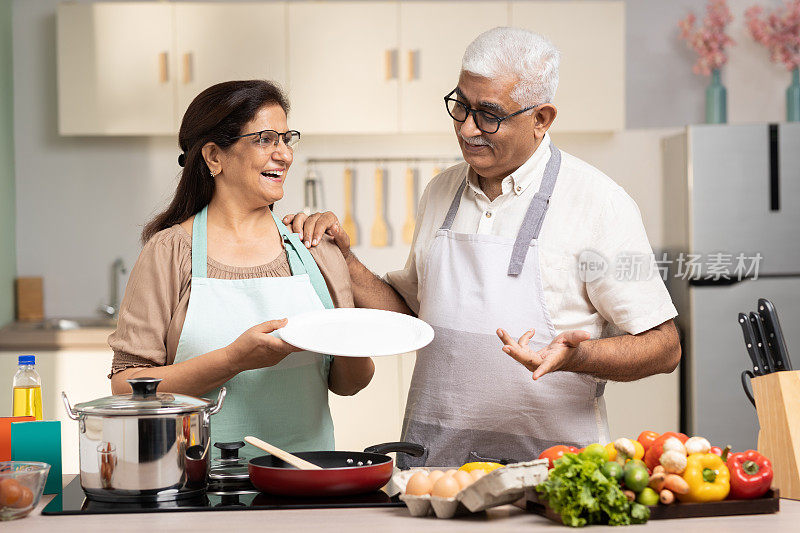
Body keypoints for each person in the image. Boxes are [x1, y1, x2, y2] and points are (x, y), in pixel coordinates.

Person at [284, 28, 682, 467]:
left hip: (554, 472)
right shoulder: (440, 191)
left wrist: (578, 356)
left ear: (542, 118)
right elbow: (412, 314)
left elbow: (664, 346)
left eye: (489, 114)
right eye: (461, 106)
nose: (468, 128)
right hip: (436, 467)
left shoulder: (598, 202)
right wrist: (343, 257)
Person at [108, 80, 374, 453]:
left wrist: (354, 332)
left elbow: (350, 383)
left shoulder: (314, 248)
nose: (284, 154)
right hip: (196, 484)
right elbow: (126, 388)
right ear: (214, 157)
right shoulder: (169, 251)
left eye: (286, 138)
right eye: (265, 139)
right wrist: (232, 360)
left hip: (306, 483)